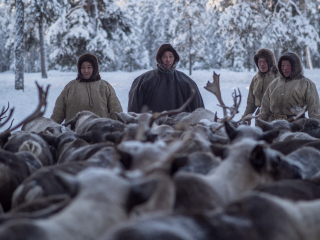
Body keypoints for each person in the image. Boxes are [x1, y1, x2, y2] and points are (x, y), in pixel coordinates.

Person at [127, 44, 204, 113]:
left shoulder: (187, 82)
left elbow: (199, 112)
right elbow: (133, 112)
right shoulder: (143, 81)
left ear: (175, 58)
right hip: (151, 127)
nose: (168, 60)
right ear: (159, 58)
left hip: (180, 127)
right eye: (164, 57)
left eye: (171, 56)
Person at [50, 53, 123, 123]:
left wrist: (120, 127)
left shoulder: (104, 86)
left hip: (100, 131)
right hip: (74, 131)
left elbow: (116, 110)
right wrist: (49, 127)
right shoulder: (70, 86)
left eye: (89, 67)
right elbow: (58, 112)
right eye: (83, 67)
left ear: (94, 68)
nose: (86, 71)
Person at [259, 52, 320, 121]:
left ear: (295, 66)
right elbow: (265, 108)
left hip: (296, 126)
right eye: (282, 65)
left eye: (288, 65)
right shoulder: (274, 83)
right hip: (274, 125)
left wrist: (316, 127)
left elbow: (315, 111)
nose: (285, 68)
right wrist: (261, 123)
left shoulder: (306, 84)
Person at [242, 49, 279, 124]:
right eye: (260, 61)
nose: (262, 64)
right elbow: (251, 102)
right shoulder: (256, 79)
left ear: (270, 62)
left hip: (276, 118)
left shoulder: (279, 77)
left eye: (265, 61)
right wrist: (246, 117)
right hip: (260, 118)